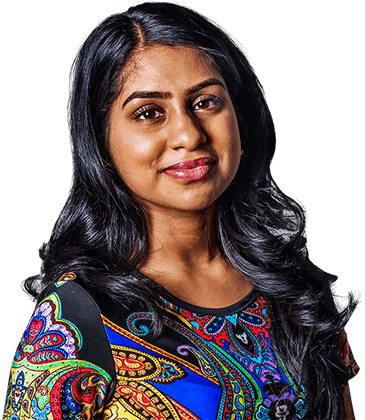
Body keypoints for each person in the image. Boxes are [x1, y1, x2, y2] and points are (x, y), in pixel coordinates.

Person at [2, 2, 360, 419]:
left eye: (206, 102)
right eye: (149, 113)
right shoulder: (73, 323)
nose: (189, 134)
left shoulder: (295, 289)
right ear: (101, 143)